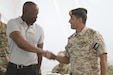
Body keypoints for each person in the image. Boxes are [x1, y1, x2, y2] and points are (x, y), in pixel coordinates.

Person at [46, 8, 107, 75]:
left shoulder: (94, 36)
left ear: (79, 20)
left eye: (72, 18)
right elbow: (67, 59)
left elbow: (103, 58)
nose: (69, 21)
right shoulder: (72, 39)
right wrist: (54, 57)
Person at [5, 1, 46, 75]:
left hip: (31, 70)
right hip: (14, 69)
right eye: (33, 14)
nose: (36, 16)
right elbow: (21, 43)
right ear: (24, 12)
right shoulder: (13, 23)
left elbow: (39, 54)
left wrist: (38, 70)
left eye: (37, 13)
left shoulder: (39, 29)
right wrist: (41, 51)